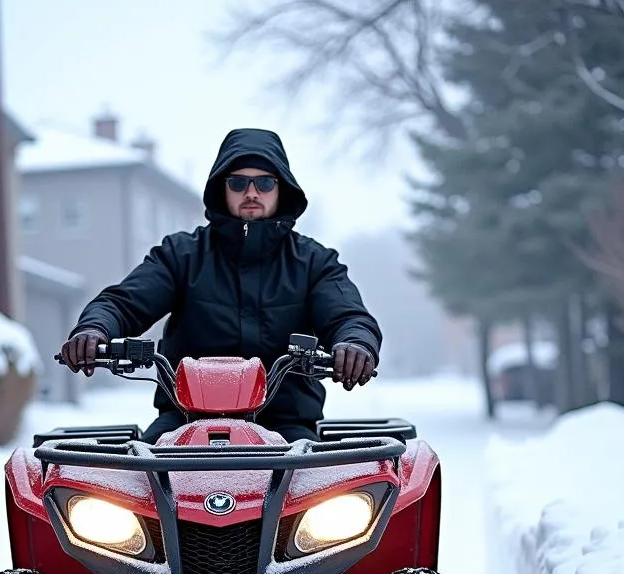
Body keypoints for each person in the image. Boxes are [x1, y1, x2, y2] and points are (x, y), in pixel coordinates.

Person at [60, 128, 382, 443]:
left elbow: (348, 315)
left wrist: (355, 343)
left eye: (265, 182)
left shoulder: (314, 262)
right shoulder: (181, 255)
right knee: (135, 484)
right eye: (239, 182)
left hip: (286, 427)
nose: (252, 193)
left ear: (281, 188)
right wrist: (95, 328)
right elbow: (123, 302)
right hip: (184, 421)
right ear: (222, 188)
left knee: (318, 489)